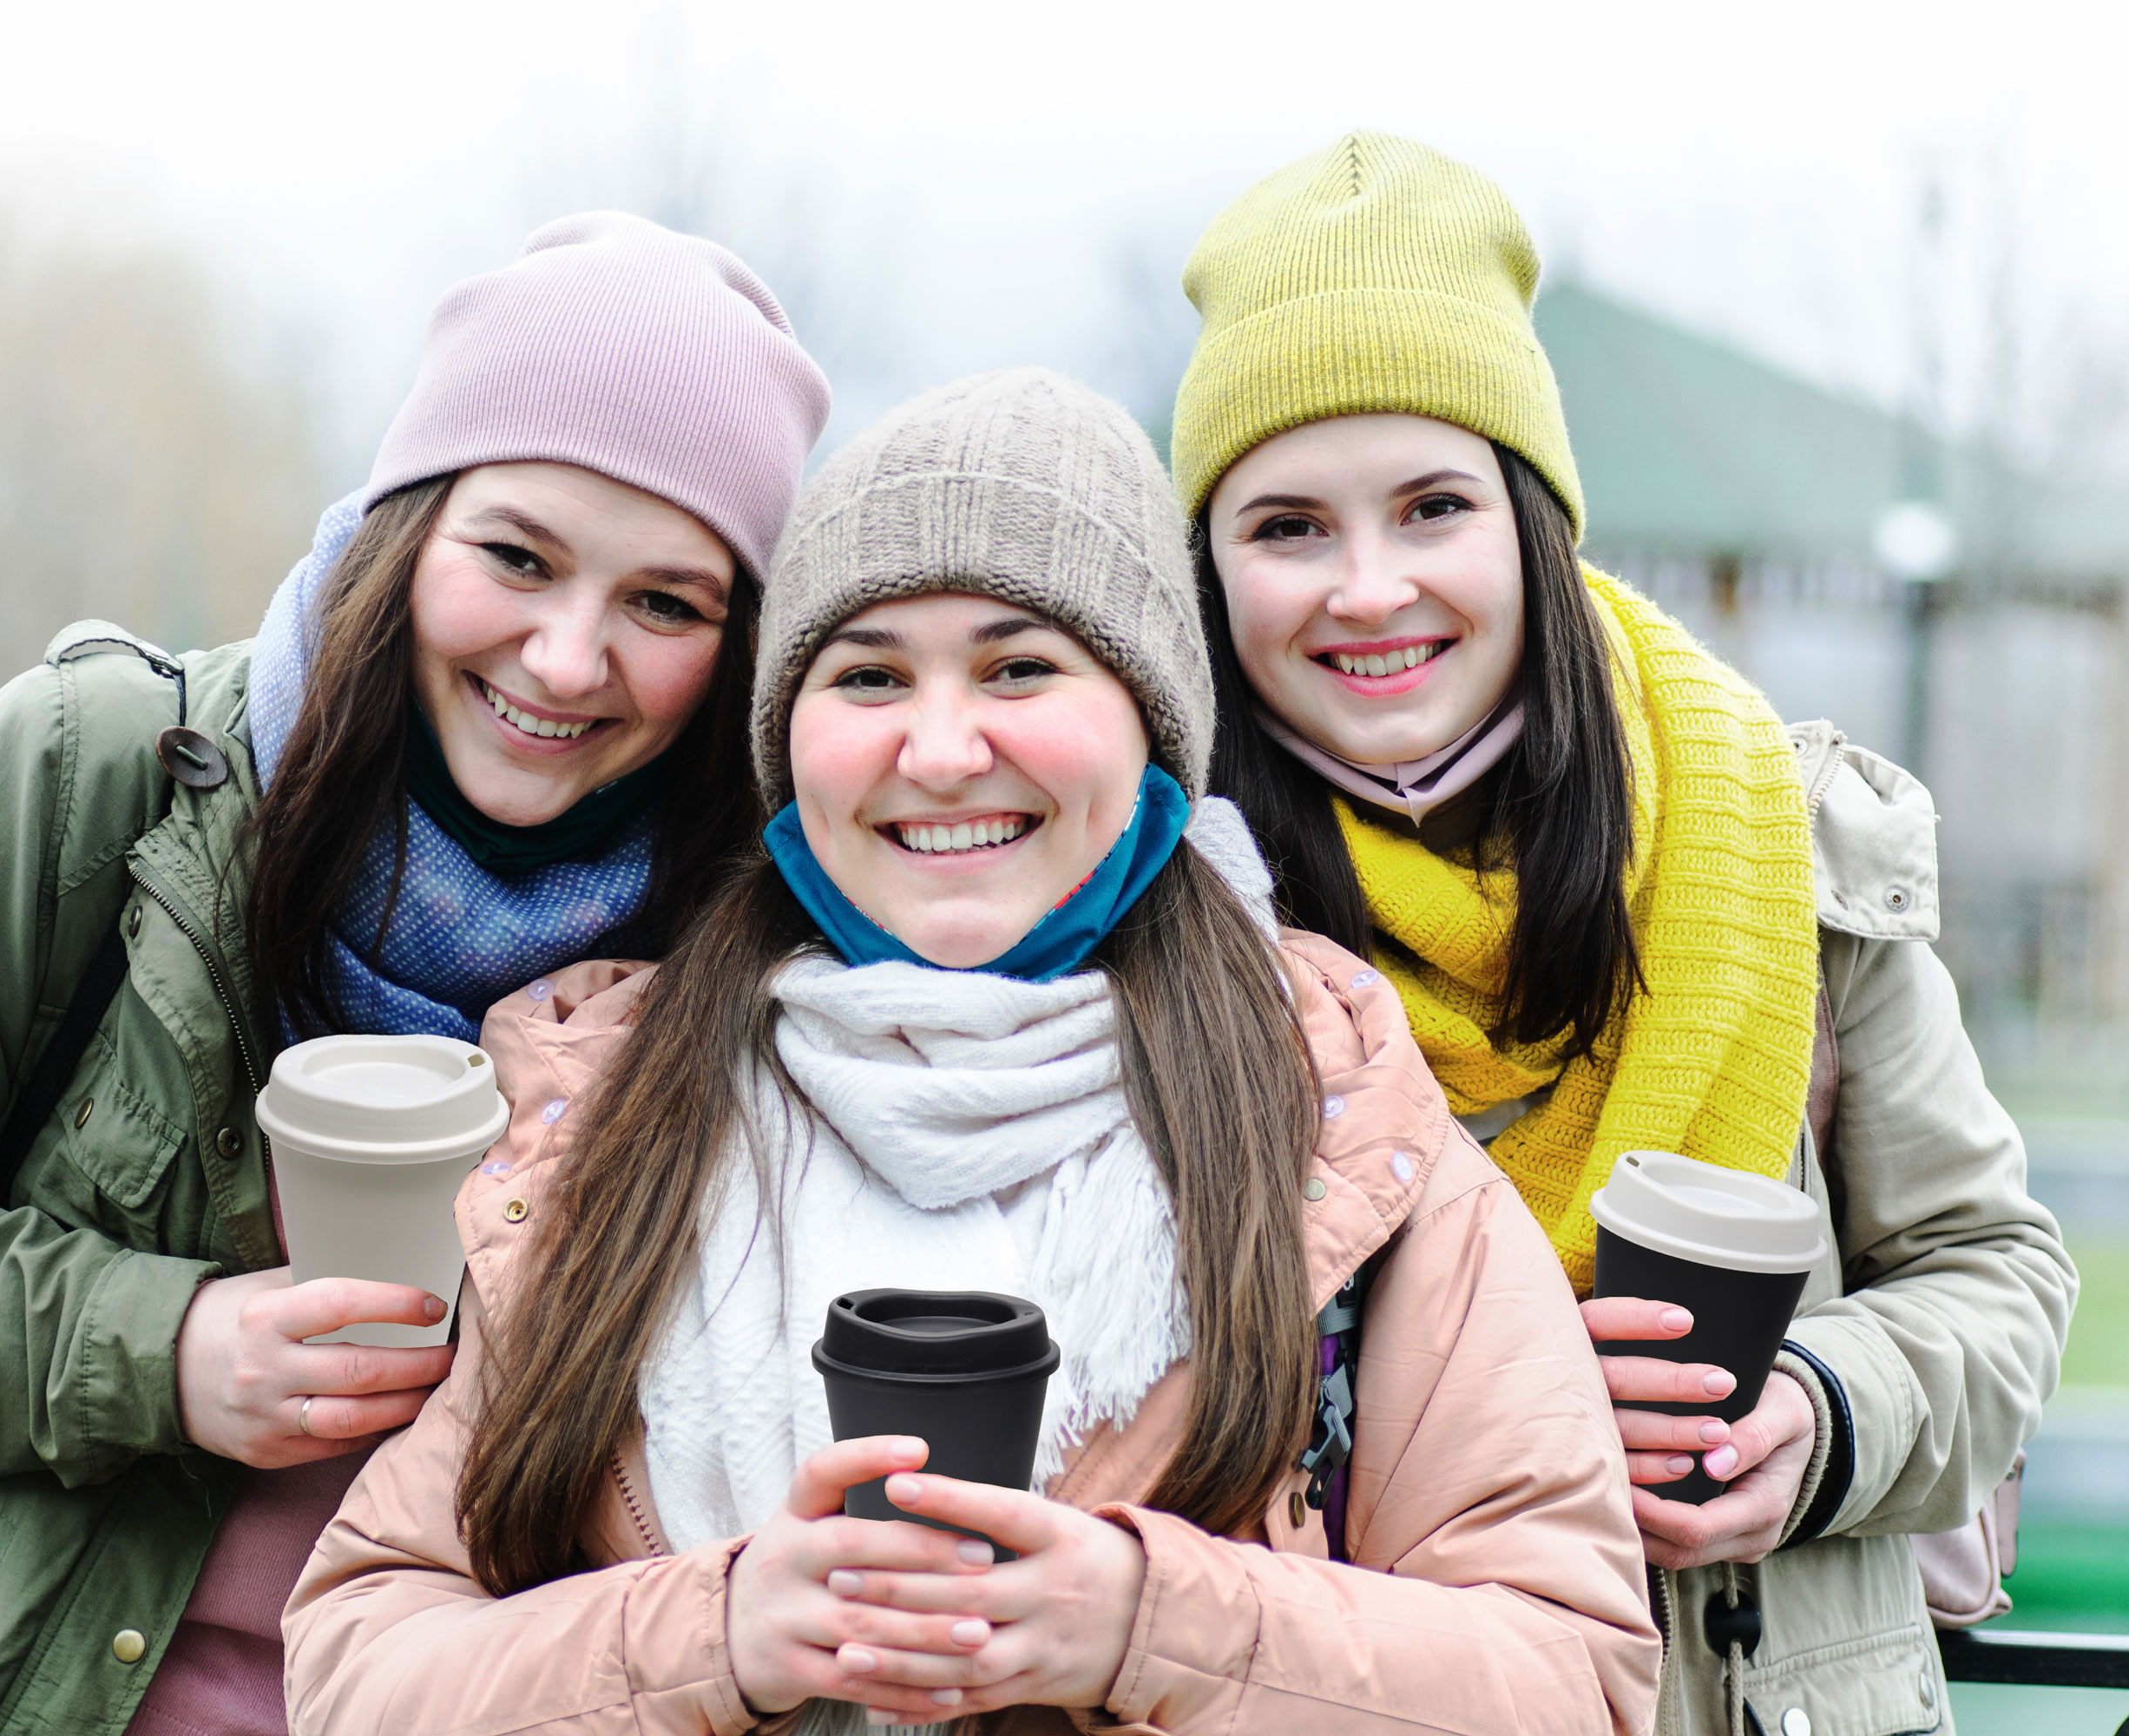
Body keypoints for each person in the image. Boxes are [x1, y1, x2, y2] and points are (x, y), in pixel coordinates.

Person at [283, 367, 1659, 1736]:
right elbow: (360, 1661)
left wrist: (1142, 1622)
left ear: (1151, 729)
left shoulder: (1340, 1119)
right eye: (869, 675)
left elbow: (1577, 1678)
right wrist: (718, 1633)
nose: (941, 751)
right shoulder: (608, 1112)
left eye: (1020, 668)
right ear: (787, 747)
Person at [0, 212, 830, 1736]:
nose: (568, 659)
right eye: (516, 557)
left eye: (664, 603)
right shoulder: (105, 772)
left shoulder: (747, 950)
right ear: (408, 523)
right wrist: (156, 1352)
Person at [1170, 132, 2078, 1734]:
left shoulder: (1783, 839)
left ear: (1531, 522)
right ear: (1209, 568)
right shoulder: (1159, 902)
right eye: (1289, 525)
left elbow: (1994, 1270)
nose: (1369, 588)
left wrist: (1820, 1412)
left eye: (1433, 505)